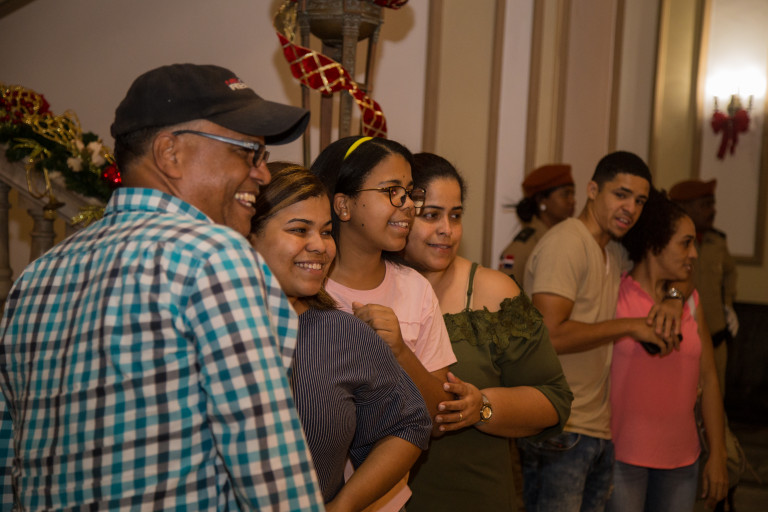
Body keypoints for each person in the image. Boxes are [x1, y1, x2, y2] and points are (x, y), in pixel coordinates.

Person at [0, 63, 325, 511]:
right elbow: (268, 463)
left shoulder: (37, 278)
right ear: (170, 152)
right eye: (249, 152)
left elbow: (10, 457)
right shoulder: (213, 255)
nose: (263, 174)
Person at [250, 164, 432, 510]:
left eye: (326, 232)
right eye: (299, 229)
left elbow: (408, 423)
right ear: (247, 236)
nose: (320, 246)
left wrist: (343, 505)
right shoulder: (207, 328)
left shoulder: (343, 333)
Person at [401, 152, 573, 511]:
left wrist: (482, 407)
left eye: (455, 215)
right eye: (430, 215)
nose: (447, 229)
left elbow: (554, 400)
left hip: (473, 497)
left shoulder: (494, 294)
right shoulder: (366, 288)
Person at [518, 151, 684, 512]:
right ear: (593, 190)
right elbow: (551, 335)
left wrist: (674, 297)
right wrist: (631, 327)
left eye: (639, 201)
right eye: (621, 195)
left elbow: (677, 263)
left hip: (595, 427)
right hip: (561, 425)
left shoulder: (614, 252)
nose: (631, 208)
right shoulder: (567, 243)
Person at [311, 136, 467, 511]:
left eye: (409, 193)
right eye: (391, 191)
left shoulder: (415, 290)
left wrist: (399, 351)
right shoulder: (306, 286)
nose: (408, 205)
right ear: (343, 205)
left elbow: (438, 417)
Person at [608, 189, 728, 511]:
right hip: (622, 458)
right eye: (685, 243)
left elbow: (710, 380)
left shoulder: (690, 301)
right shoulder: (616, 295)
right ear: (655, 244)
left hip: (683, 462)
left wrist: (717, 454)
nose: (694, 254)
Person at [669, 179, 738, 398]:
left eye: (713, 204)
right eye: (705, 205)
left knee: (715, 395)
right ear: (684, 207)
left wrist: (727, 303)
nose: (713, 210)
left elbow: (730, 272)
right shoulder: (669, 243)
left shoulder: (717, 241)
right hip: (684, 339)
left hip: (716, 338)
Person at [499, 164, 576, 284]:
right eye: (565, 194)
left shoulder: (569, 238)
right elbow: (504, 291)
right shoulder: (523, 248)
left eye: (573, 194)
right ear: (542, 201)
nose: (572, 201)